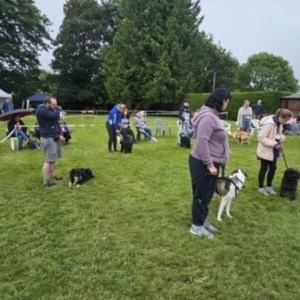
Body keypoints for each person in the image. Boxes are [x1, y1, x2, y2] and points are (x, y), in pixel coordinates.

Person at [189, 87, 231, 239]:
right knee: (201, 195)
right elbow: (201, 142)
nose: (228, 104)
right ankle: (196, 227)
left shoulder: (213, 115)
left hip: (211, 163)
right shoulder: (208, 117)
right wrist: (210, 165)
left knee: (206, 195)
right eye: (227, 101)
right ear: (221, 101)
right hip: (203, 163)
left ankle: (202, 220)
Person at [257, 108, 293, 196]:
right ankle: (261, 188)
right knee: (264, 169)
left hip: (274, 151)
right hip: (266, 151)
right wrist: (274, 144)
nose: (286, 122)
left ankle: (269, 186)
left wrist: (282, 138)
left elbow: (277, 134)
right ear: (281, 116)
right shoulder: (269, 124)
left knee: (273, 168)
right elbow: (261, 137)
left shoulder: (279, 123)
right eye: (286, 120)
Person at [36, 97, 65, 186]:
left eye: (56, 104)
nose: (56, 106)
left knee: (54, 159)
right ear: (47, 103)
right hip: (48, 138)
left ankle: (52, 175)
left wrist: (60, 135)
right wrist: (58, 109)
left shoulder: (51, 110)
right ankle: (46, 180)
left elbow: (57, 123)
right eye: (54, 105)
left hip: (55, 137)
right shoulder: (41, 111)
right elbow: (56, 116)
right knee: (49, 160)